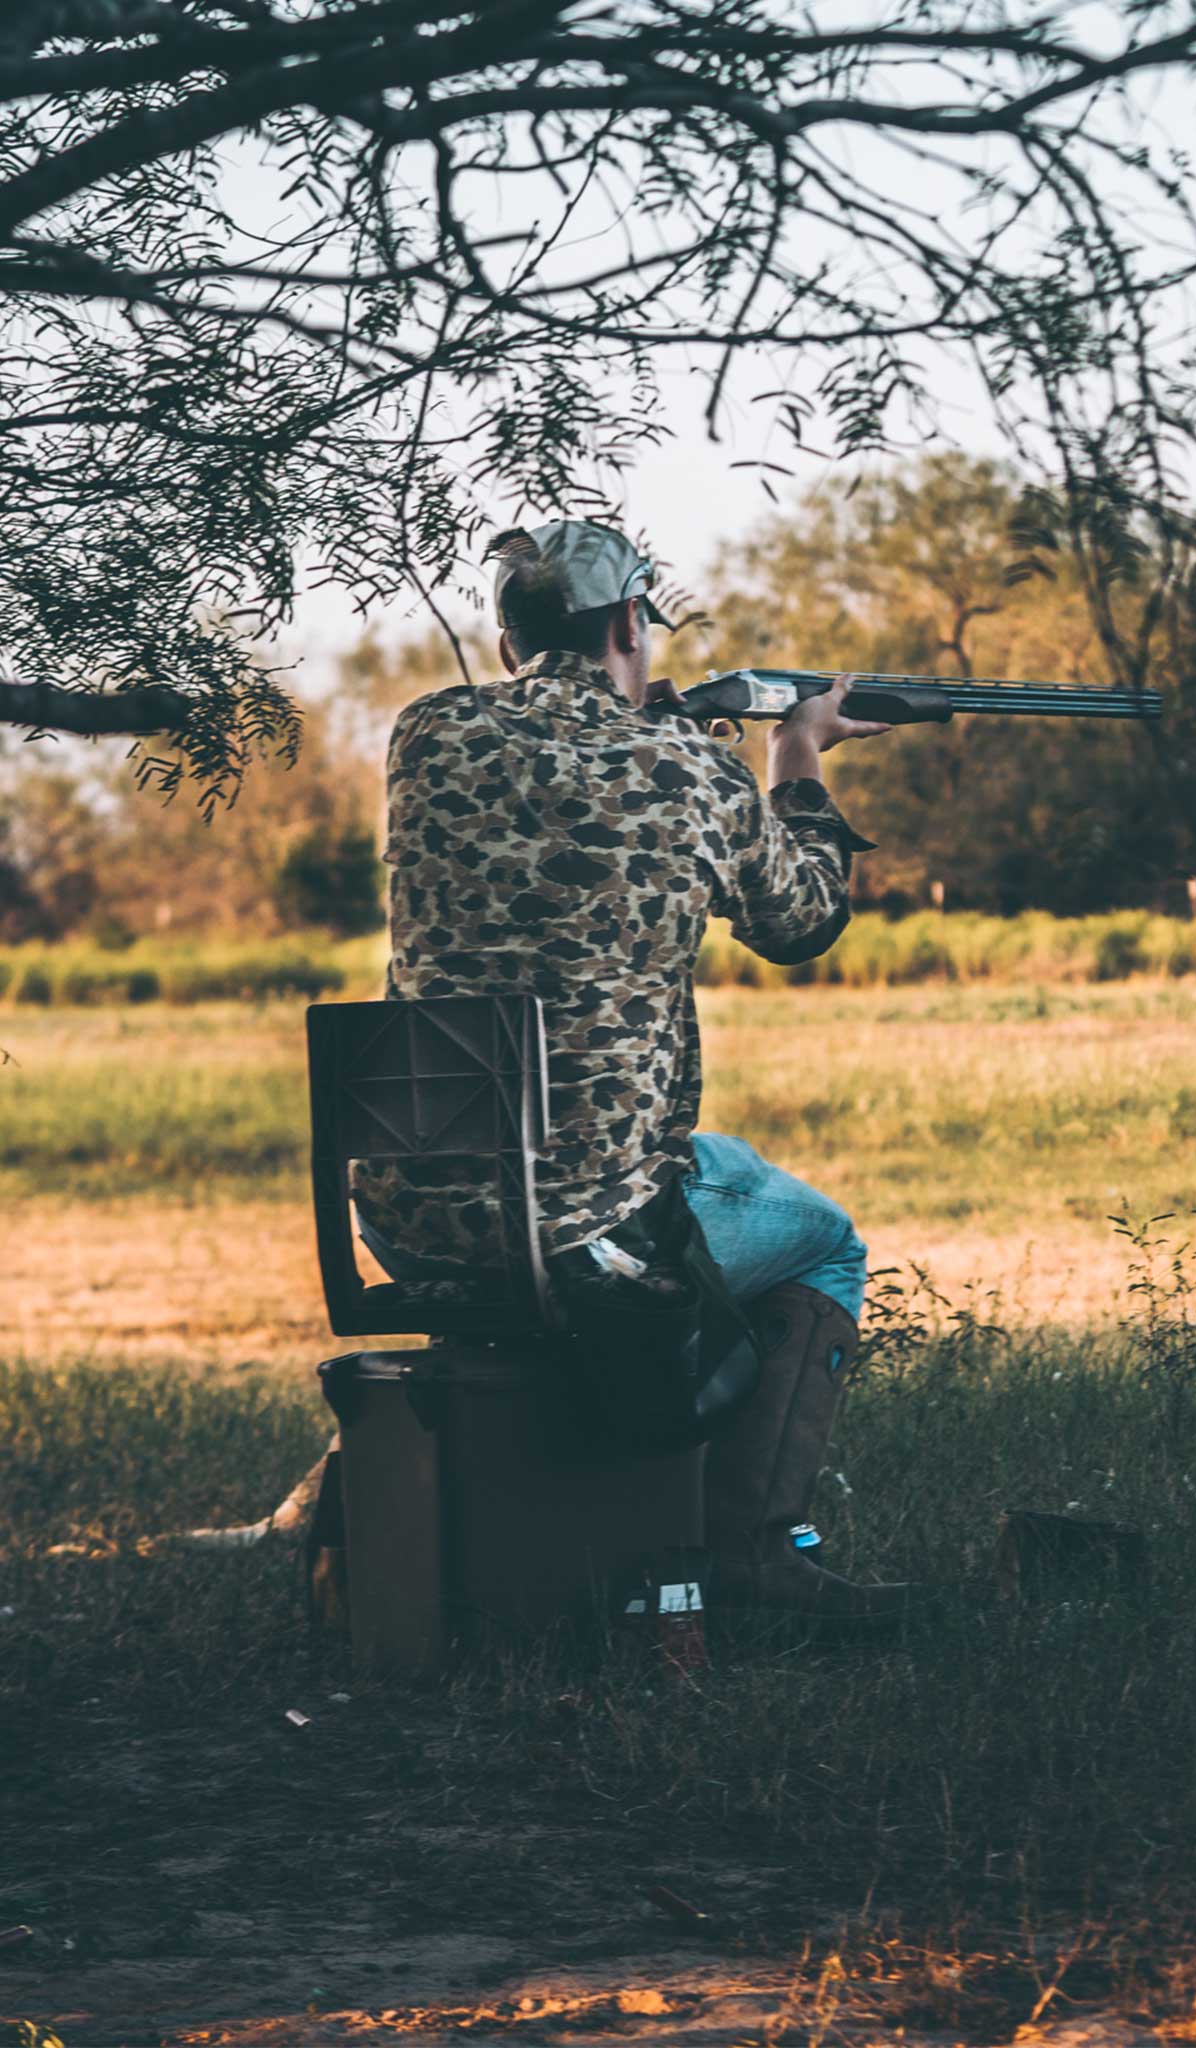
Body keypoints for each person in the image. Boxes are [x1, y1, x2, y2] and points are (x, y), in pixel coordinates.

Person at [349, 517, 906, 1626]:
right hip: (585, 1236)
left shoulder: (424, 735)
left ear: (510, 643)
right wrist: (792, 754)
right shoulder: (692, 767)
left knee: (723, 1163)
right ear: (626, 624)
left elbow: (551, 791)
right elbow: (802, 923)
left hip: (409, 1210)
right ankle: (756, 1554)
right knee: (823, 1235)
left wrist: (662, 728)